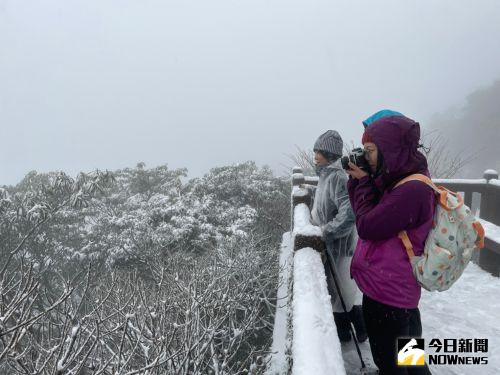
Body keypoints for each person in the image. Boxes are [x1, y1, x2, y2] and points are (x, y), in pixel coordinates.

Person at [346, 111, 434, 374]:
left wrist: (363, 183)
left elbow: (367, 225)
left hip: (389, 295)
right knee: (411, 359)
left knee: (391, 363)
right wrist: (362, 180)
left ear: (390, 149)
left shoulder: (411, 190)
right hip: (396, 290)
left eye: (370, 150)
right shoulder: (400, 178)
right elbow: (366, 213)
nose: (366, 156)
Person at [310, 130, 367, 343]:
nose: (315, 154)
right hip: (332, 244)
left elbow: (348, 213)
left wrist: (326, 231)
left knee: (341, 290)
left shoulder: (336, 176)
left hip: (340, 245)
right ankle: (354, 331)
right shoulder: (325, 175)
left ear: (330, 153)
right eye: (315, 150)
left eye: (320, 151)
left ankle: (353, 331)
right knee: (339, 291)